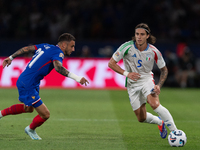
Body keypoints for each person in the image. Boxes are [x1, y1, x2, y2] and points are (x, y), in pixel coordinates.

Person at [1, 33, 89, 140]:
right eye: (72, 46)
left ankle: (1, 114)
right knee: (45, 114)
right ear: (64, 45)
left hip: (29, 81)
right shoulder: (58, 53)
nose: (73, 49)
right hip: (28, 84)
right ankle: (30, 129)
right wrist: (77, 78)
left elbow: (26, 48)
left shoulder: (46, 46)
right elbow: (58, 68)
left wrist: (11, 57)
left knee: (28, 108)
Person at [108, 23, 177, 139]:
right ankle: (160, 122)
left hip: (146, 80)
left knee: (154, 104)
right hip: (132, 84)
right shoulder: (126, 47)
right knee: (141, 118)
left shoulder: (154, 51)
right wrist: (127, 73)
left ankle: (175, 132)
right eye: (137, 34)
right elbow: (111, 63)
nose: (139, 37)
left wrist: (159, 85)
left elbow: (164, 70)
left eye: (142, 34)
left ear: (147, 36)